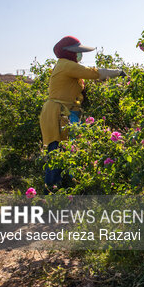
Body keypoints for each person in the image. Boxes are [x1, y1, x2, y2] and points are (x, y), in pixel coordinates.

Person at [39, 36, 125, 190]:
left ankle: (65, 188)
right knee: (57, 152)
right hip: (58, 114)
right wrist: (118, 72)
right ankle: (50, 192)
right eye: (77, 52)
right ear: (69, 53)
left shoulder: (66, 65)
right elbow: (93, 72)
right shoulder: (66, 65)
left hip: (64, 113)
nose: (80, 55)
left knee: (66, 151)